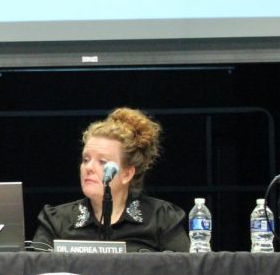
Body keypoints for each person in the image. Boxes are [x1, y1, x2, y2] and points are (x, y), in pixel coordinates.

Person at [31, 107, 187, 252]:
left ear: (127, 174)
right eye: (86, 159)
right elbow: (33, 272)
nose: (89, 167)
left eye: (103, 162)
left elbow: (190, 273)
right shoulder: (57, 221)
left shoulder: (161, 218)